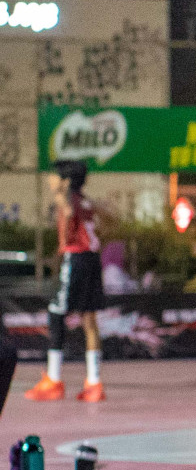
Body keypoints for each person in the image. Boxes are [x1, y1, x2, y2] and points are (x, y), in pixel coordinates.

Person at [25, 160, 107, 402]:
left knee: (55, 313)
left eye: (55, 177)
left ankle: (53, 380)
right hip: (92, 260)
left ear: (66, 181)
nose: (51, 180)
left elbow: (69, 213)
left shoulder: (68, 199)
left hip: (76, 259)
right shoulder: (86, 200)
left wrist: (60, 196)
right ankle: (94, 383)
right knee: (89, 319)